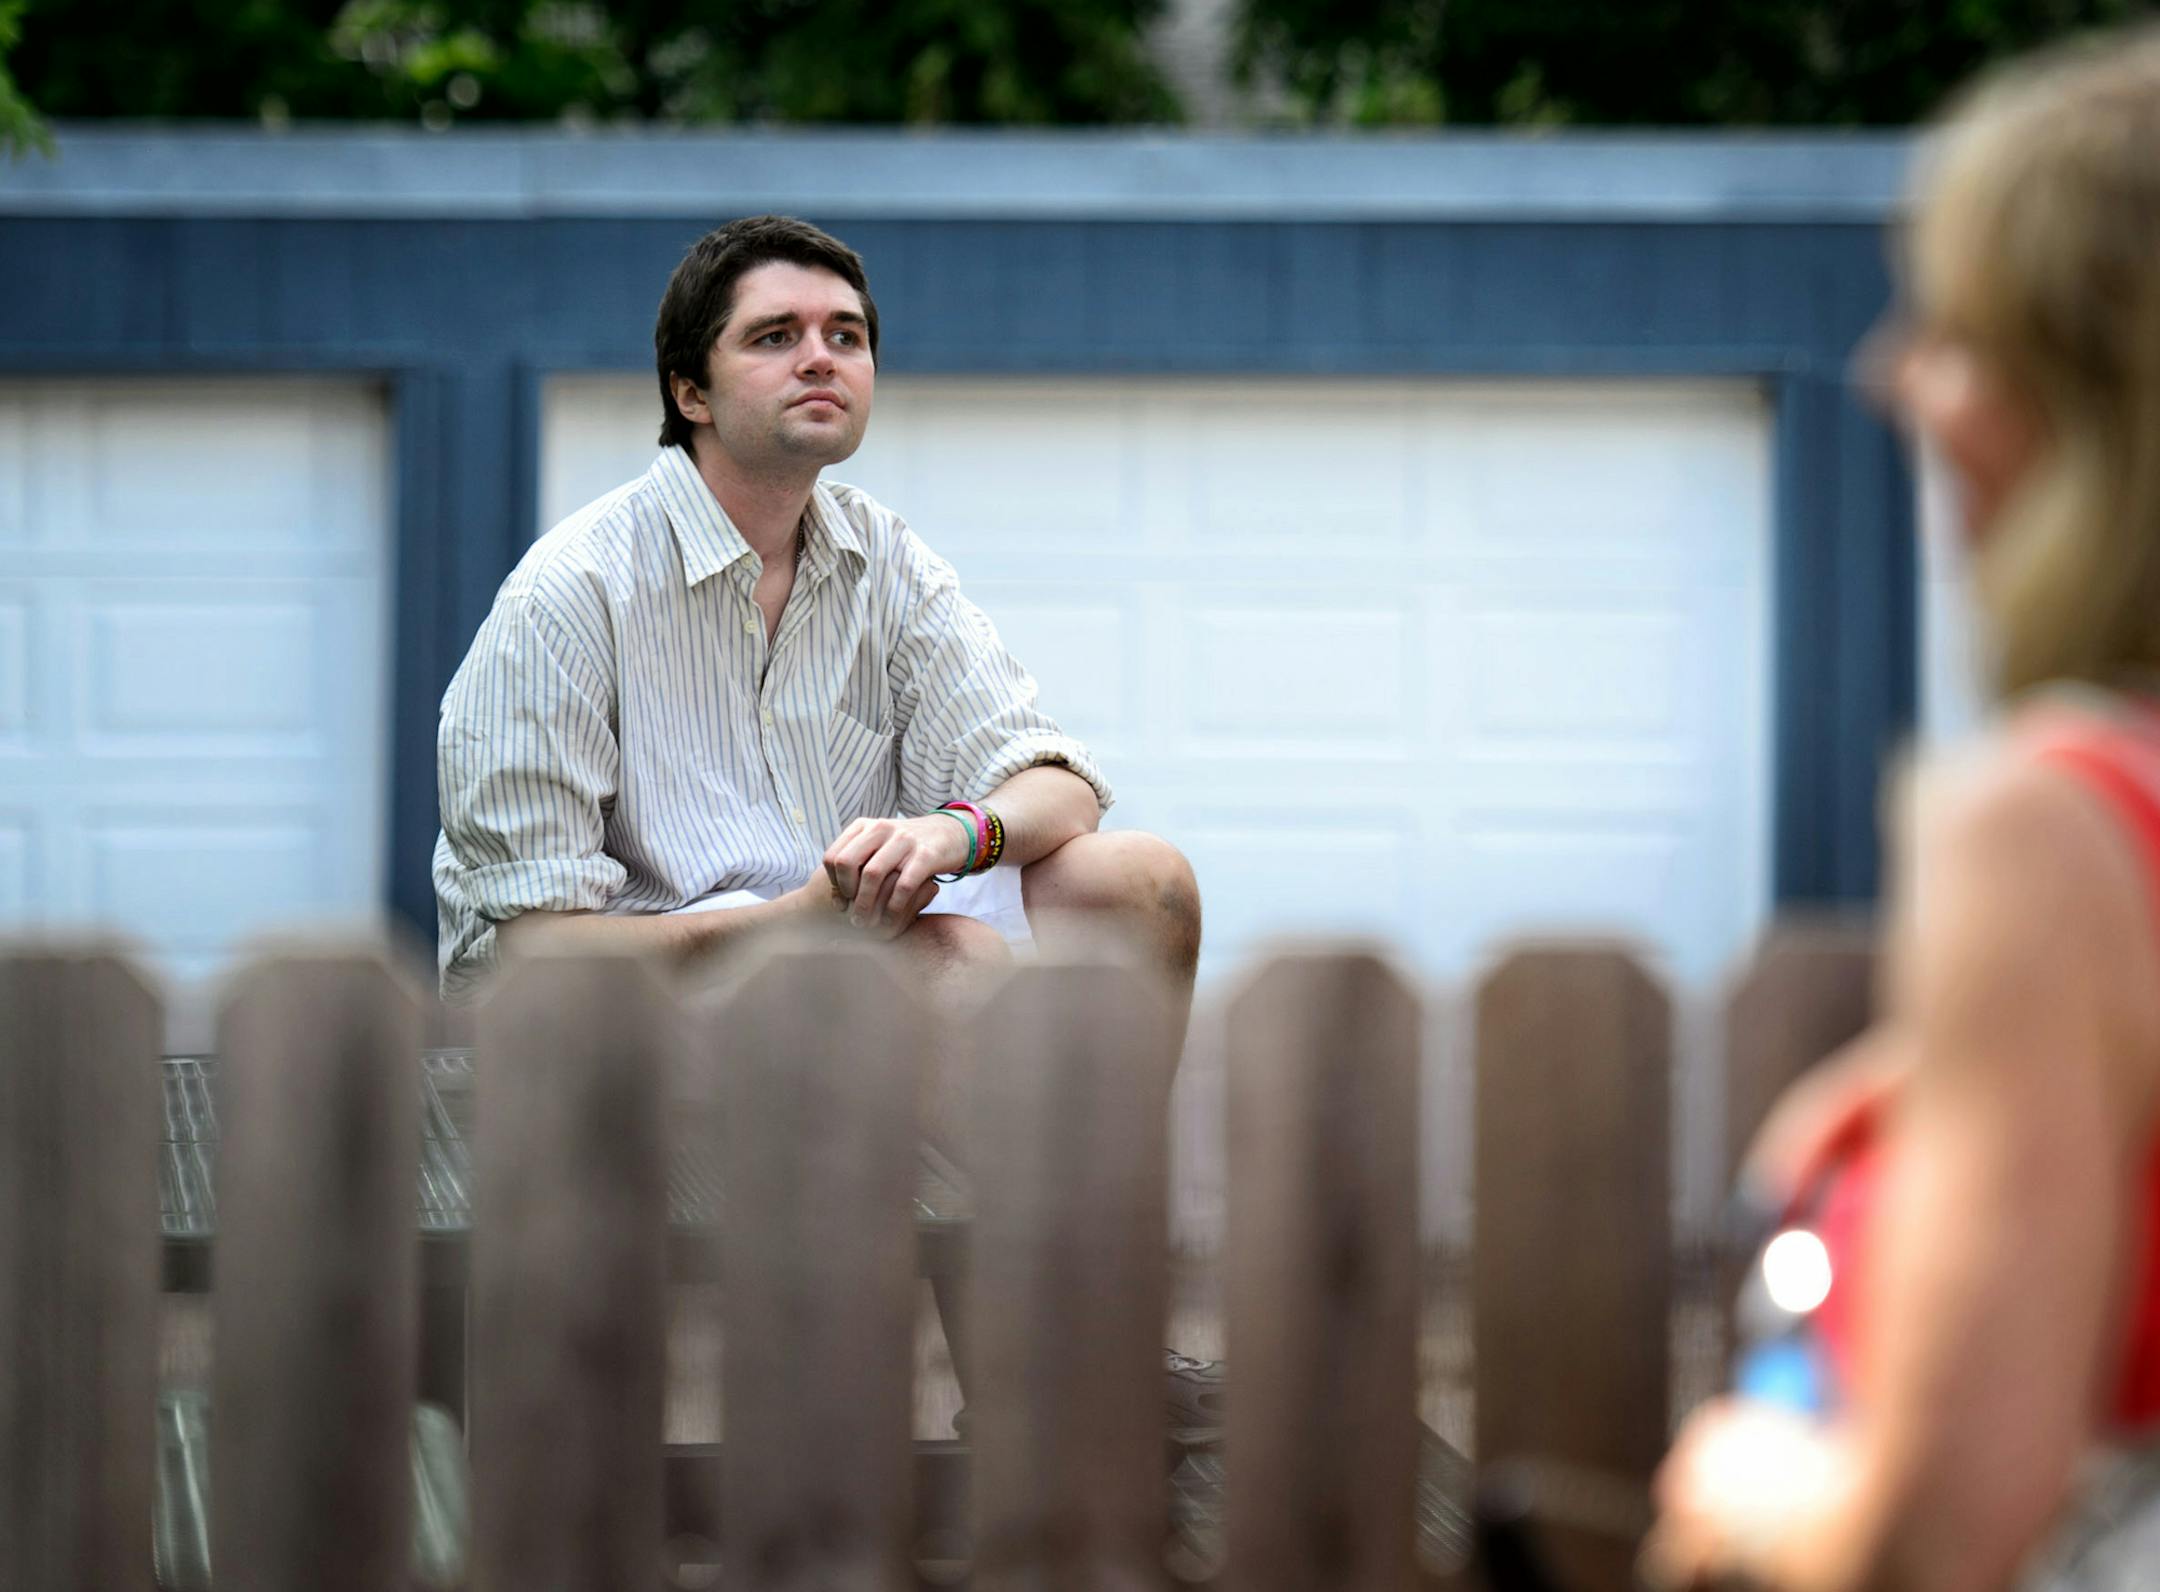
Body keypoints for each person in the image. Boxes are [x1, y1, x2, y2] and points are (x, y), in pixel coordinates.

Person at [431, 214, 1214, 1422]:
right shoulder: (570, 593)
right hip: (608, 1011)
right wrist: (797, 916)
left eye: (846, 335)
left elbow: (1056, 780)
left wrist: (955, 834)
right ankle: (1052, 1362)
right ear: (689, 387)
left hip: (835, 971)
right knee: (956, 957)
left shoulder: (880, 557)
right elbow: (529, 946)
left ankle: (1066, 1323)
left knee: (1140, 879)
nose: (822, 358)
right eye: (777, 336)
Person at [1647, 28, 2160, 1592]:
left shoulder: (2057, 825)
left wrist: (1750, 1489)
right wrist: (1954, 1065)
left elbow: (1939, 1534)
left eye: (1957, 327)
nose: (1891, 378)